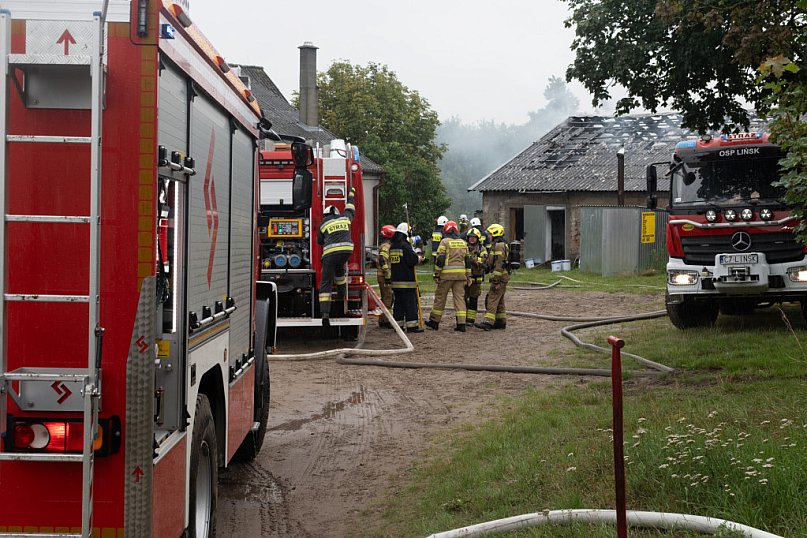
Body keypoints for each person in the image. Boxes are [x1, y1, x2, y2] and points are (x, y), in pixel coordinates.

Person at [318, 187, 356, 326]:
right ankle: (341, 293)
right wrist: (351, 192)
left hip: (329, 254)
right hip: (346, 251)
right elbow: (351, 207)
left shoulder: (324, 223)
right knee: (340, 272)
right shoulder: (345, 217)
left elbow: (319, 241)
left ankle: (325, 314)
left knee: (326, 282)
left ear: (326, 214)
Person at [425, 220, 471, 332]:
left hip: (446, 276)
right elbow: (468, 261)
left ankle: (434, 322)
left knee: (440, 298)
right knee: (460, 299)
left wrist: (437, 274)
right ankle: (461, 324)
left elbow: (440, 259)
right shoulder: (463, 243)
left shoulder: (444, 242)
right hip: (460, 276)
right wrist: (468, 276)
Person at [390, 222, 423, 332]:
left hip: (396, 282)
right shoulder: (405, 246)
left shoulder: (393, 246)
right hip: (407, 282)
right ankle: (412, 326)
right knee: (410, 304)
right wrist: (418, 258)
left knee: (398, 305)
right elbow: (412, 260)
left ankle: (398, 326)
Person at [476, 223, 509, 331]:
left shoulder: (499, 246)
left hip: (500, 278)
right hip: (502, 277)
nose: (488, 236)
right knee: (499, 300)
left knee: (492, 298)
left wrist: (496, 281)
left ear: (495, 234)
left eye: (490, 234)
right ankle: (500, 321)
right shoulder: (498, 244)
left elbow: (499, 264)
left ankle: (488, 322)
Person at [464, 227, 488, 327]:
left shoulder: (482, 249)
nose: (472, 239)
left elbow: (483, 261)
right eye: (470, 237)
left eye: (474, 237)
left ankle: (470, 320)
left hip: (476, 278)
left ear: (478, 238)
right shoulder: (464, 247)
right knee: (463, 298)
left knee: (473, 299)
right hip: (465, 278)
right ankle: (463, 318)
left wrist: (472, 259)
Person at [376, 224, 396, 328]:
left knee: (385, 298)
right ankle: (386, 320)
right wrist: (387, 272)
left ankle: (383, 319)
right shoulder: (386, 246)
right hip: (384, 276)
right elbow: (382, 258)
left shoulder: (385, 245)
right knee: (388, 298)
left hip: (382, 276)